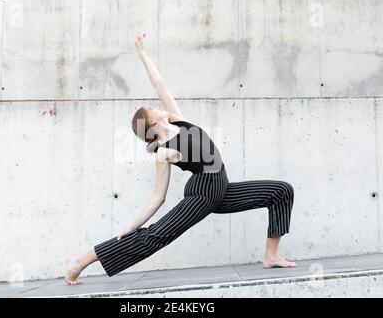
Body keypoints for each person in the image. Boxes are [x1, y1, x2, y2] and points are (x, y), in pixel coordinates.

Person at [64, 33, 296, 285]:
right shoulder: (163, 152)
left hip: (222, 188)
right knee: (155, 236)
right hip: (202, 194)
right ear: (152, 121)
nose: (158, 105)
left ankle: (271, 255)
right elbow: (158, 197)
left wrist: (142, 54)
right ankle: (80, 261)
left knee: (281, 191)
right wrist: (133, 225)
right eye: (152, 108)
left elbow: (159, 83)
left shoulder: (177, 119)